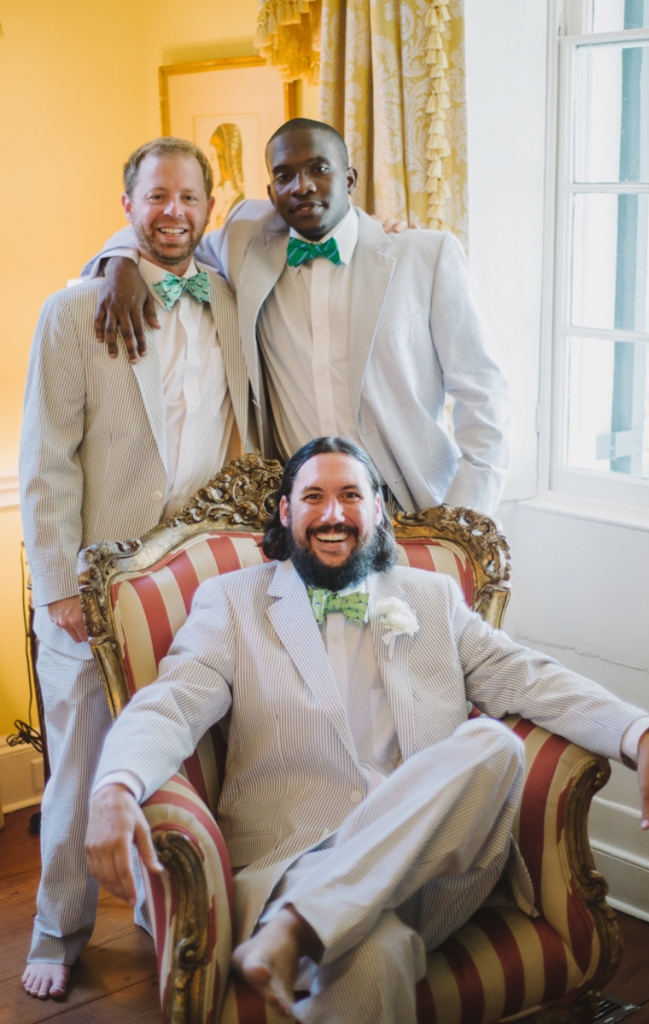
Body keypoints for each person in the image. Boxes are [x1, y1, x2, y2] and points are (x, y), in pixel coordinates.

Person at [86, 437, 649, 1024]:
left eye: (351, 494)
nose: (333, 513)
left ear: (377, 509)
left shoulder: (432, 596)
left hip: (434, 874)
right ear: (286, 511)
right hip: (294, 859)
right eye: (313, 496)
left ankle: (303, 921)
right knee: (372, 960)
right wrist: (116, 783)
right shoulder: (232, 603)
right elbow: (172, 702)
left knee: (494, 744)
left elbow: (527, 678)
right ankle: (314, 917)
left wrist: (641, 734)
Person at [19, 136, 256, 1000]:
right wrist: (59, 590)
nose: (173, 213)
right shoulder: (75, 309)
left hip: (196, 583)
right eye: (155, 198)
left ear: (208, 205)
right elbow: (44, 461)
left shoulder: (228, 297)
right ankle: (58, 925)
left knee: (181, 757)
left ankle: (170, 913)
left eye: (189, 198)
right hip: (95, 583)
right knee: (82, 761)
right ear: (127, 206)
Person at [85, 118, 511, 516]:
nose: (302, 186)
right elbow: (171, 232)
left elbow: (484, 396)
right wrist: (120, 258)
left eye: (319, 169)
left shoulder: (426, 256)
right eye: (284, 175)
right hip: (298, 518)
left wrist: (461, 520)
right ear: (271, 193)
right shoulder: (246, 243)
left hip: (413, 506)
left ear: (349, 178)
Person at [207, 122, 246, 231]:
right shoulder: (226, 203)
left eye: (213, 157)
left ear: (224, 159)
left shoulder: (240, 207)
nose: (210, 164)